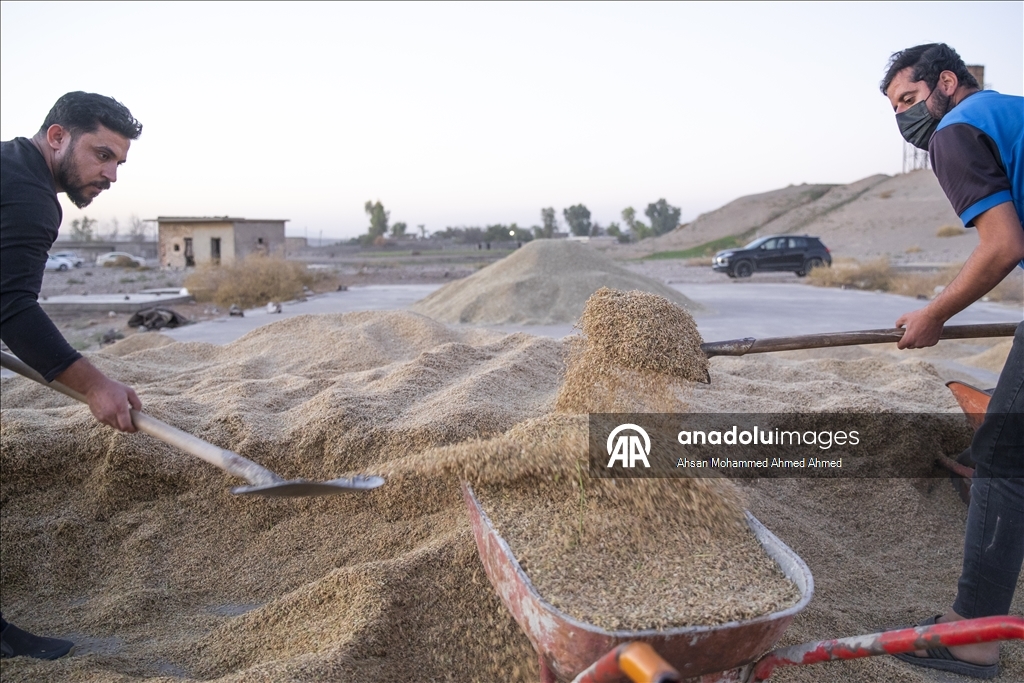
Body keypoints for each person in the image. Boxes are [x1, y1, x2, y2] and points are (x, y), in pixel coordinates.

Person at [881, 43, 1024, 679]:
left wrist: (935, 313)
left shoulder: (956, 131)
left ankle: (972, 638)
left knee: (1003, 458)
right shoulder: (1011, 111)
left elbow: (1002, 245)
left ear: (946, 81)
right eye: (895, 109)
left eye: (909, 99)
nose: (905, 117)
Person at [1, 92, 144, 660]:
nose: (111, 175)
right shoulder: (29, 195)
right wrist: (95, 386)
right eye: (101, 155)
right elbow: (13, 308)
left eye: (119, 163)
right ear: (57, 137)